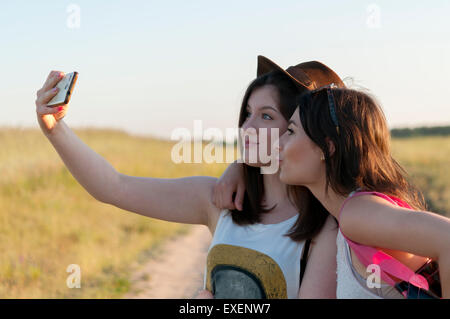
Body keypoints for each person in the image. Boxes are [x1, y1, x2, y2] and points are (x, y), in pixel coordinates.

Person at [35, 56, 341, 298]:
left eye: (266, 116)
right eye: (247, 113)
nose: (246, 128)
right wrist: (54, 128)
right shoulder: (221, 200)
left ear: (303, 129)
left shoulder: (326, 227)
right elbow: (114, 187)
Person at [275, 86, 450, 298]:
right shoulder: (349, 216)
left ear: (326, 147)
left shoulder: (356, 213)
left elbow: (446, 237)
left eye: (291, 131)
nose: (278, 143)